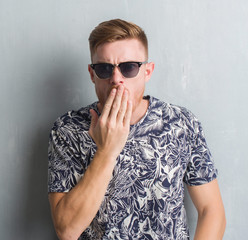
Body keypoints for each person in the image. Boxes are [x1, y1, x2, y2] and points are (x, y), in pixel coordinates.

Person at [47, 19, 226, 240]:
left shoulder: (182, 123)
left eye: (128, 67)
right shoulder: (68, 130)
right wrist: (106, 151)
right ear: (92, 74)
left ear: (147, 71)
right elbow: (66, 230)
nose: (116, 79)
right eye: (104, 69)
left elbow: (211, 210)